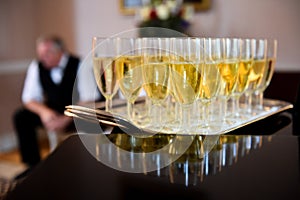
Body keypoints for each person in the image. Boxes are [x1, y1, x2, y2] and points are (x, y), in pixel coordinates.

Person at [13, 35, 101, 169]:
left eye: (47, 54)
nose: (42, 58)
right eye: (40, 54)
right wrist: (44, 112)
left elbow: (89, 99)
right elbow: (28, 99)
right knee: (21, 117)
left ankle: (89, 164)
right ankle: (33, 166)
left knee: (91, 119)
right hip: (53, 112)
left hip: (79, 112)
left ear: (61, 51)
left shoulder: (81, 63)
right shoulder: (36, 66)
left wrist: (65, 119)